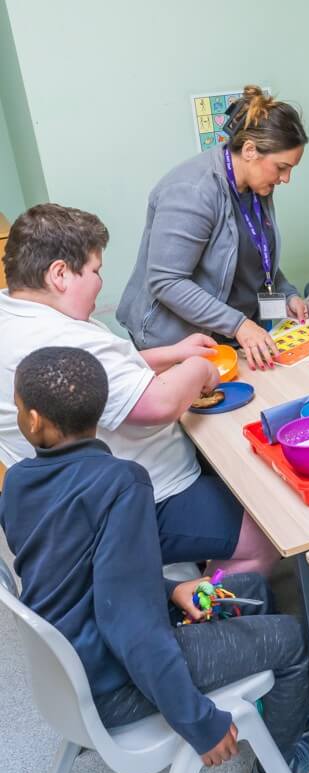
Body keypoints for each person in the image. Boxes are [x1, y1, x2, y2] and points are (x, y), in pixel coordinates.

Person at [0, 347, 309, 773]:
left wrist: (169, 590)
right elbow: (130, 625)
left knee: (250, 589)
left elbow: (76, 570)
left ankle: (274, 707)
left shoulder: (19, 482)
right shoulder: (120, 482)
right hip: (114, 681)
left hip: (77, 654)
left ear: (33, 420)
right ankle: (278, 768)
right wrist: (197, 722)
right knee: (289, 639)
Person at [0, 203, 279, 575]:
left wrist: (172, 353)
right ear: (60, 274)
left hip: (70, 506)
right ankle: (205, 615)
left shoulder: (16, 317)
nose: (100, 281)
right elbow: (158, 404)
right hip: (141, 502)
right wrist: (198, 368)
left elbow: (95, 379)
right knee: (268, 534)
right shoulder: (62, 337)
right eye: (95, 271)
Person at [117, 85, 308, 372]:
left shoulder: (258, 188)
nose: (286, 178)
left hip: (227, 339)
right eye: (281, 167)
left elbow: (253, 256)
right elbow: (167, 281)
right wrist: (238, 324)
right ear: (250, 150)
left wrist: (287, 293)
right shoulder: (192, 190)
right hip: (174, 342)